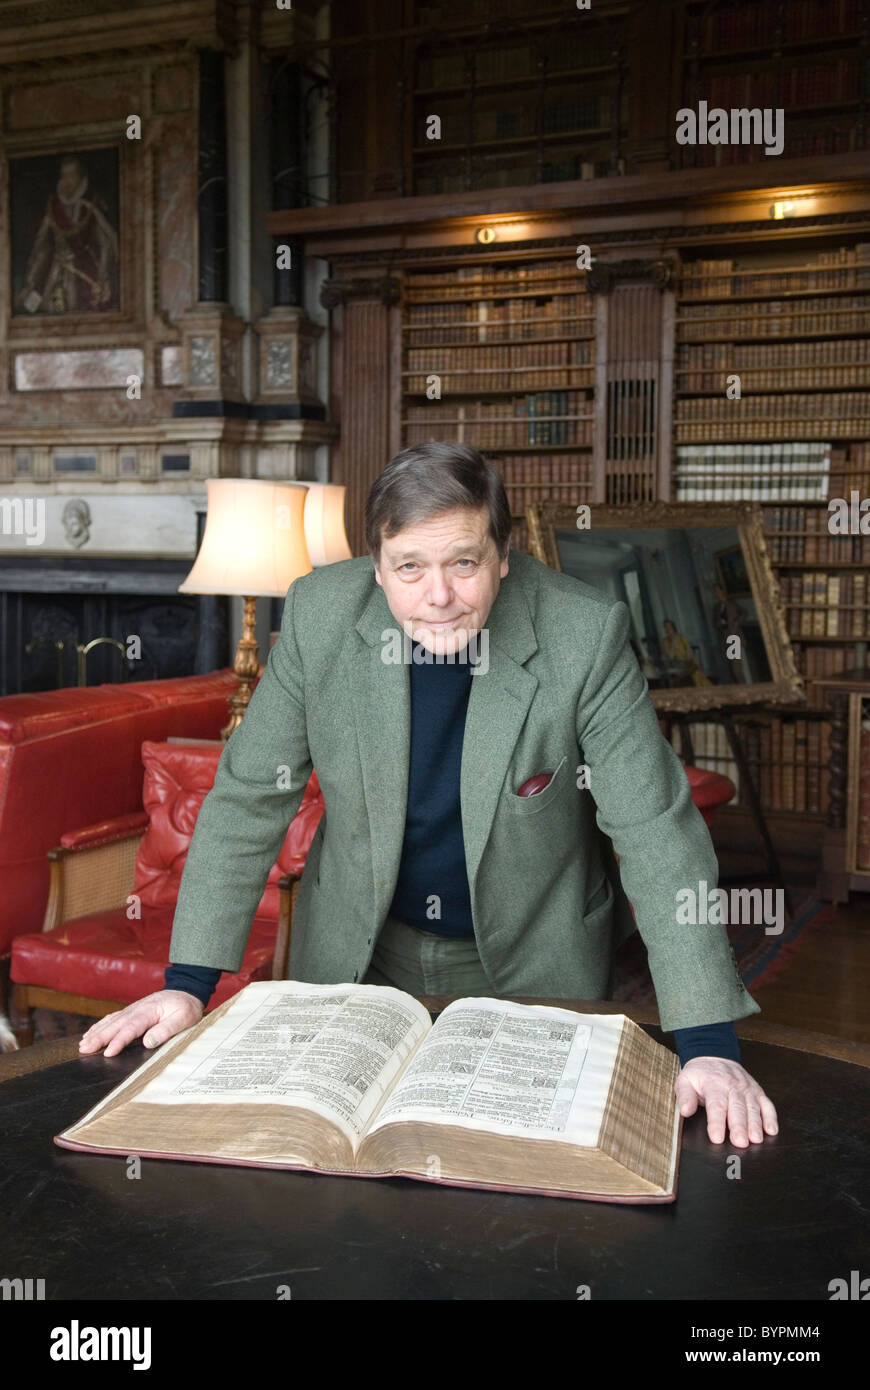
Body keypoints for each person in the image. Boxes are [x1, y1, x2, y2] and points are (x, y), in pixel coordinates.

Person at [81, 443, 777, 1148]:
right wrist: (186, 983)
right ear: (376, 567)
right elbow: (248, 798)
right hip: (360, 952)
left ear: (503, 554)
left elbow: (655, 831)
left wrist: (707, 1041)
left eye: (463, 563)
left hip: (538, 956)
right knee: (331, 1172)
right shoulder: (321, 617)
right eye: (410, 567)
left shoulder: (584, 634)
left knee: (514, 1182)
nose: (438, 596)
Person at [661, 618, 713, 686]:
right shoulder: (665, 641)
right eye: (666, 628)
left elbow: (689, 651)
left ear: (673, 628)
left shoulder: (681, 638)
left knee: (694, 669)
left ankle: (703, 686)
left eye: (669, 627)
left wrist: (689, 658)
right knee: (692, 669)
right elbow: (670, 656)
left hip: (686, 661)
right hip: (676, 663)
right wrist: (673, 643)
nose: (668, 630)